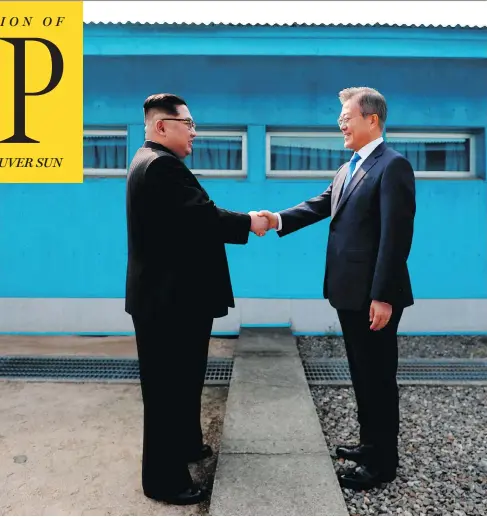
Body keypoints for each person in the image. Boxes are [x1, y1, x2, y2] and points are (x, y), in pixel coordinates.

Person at [258, 87, 416, 490]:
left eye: (347, 116)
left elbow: (395, 238)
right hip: (348, 291)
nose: (340, 123)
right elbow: (321, 203)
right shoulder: (349, 167)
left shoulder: (392, 165)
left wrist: (382, 296)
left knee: (378, 376)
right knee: (362, 374)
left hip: (373, 295)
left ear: (372, 120)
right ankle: (369, 444)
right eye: (340, 117)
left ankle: (383, 463)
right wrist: (276, 219)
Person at [125, 93, 268, 505]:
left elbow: (190, 220)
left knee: (186, 381)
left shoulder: (157, 164)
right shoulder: (159, 167)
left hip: (174, 300)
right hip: (168, 304)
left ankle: (186, 446)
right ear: (161, 126)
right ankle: (164, 481)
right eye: (186, 123)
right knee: (168, 390)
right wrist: (251, 222)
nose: (194, 131)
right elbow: (203, 217)